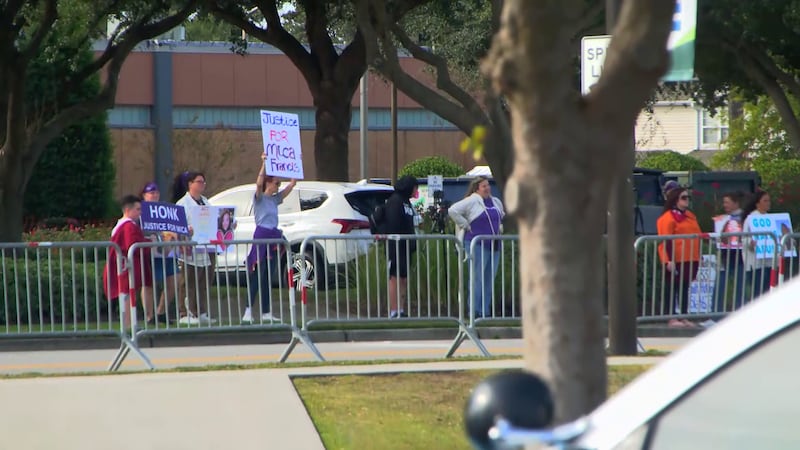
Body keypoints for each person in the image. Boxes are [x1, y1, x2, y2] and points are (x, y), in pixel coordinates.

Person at [242, 154, 296, 323]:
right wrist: (264, 163)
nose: (278, 186)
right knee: (258, 274)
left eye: (279, 183)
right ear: (268, 183)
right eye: (276, 183)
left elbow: (290, 188)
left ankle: (266, 312)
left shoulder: (274, 199)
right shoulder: (259, 198)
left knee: (267, 277)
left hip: (273, 238)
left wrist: (295, 168)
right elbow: (258, 183)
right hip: (262, 236)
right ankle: (248, 310)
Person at [448, 176, 505, 319]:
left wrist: (500, 228)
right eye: (483, 186)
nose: (487, 188)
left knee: (489, 278)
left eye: (488, 185)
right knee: (477, 278)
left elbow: (501, 216)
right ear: (477, 189)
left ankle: (485, 310)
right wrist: (465, 224)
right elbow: (453, 210)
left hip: (494, 244)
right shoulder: (472, 201)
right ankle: (474, 310)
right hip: (477, 244)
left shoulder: (495, 201)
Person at [102, 195, 153, 328]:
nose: (140, 212)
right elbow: (132, 244)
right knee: (126, 293)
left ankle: (130, 322)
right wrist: (150, 242)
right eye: (137, 209)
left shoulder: (123, 224)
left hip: (123, 264)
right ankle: (129, 323)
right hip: (125, 265)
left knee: (127, 293)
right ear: (127, 210)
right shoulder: (128, 226)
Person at [656, 185, 701, 328]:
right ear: (675, 200)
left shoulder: (690, 216)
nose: (687, 200)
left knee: (684, 288)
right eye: (683, 197)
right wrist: (667, 260)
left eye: (688, 197)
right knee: (672, 288)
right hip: (675, 258)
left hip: (690, 257)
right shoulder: (667, 218)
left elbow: (697, 234)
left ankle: (683, 315)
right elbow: (663, 242)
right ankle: (671, 317)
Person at [176, 172, 216, 325]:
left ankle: (200, 311)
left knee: (204, 280)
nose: (202, 185)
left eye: (203, 182)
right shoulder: (183, 203)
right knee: (188, 280)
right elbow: (178, 226)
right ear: (190, 184)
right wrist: (187, 229)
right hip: (190, 246)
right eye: (199, 182)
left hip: (207, 246)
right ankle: (185, 312)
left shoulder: (206, 202)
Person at [140, 181, 180, 324]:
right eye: (151, 193)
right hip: (151, 253)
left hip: (168, 252)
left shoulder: (165, 210)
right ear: (144, 195)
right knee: (149, 284)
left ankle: (160, 311)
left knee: (174, 280)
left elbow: (174, 226)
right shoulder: (141, 211)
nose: (154, 195)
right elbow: (140, 230)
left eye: (156, 192)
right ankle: (149, 316)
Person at [384, 175, 419, 318]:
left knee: (403, 278)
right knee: (395, 277)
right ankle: (394, 310)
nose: (415, 191)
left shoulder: (407, 202)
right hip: (395, 247)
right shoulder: (395, 201)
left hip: (406, 246)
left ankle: (401, 309)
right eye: (415, 188)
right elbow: (392, 223)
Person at [714, 191, 746, 313]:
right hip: (725, 256)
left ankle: (739, 313)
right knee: (720, 286)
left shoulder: (745, 218)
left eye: (727, 202)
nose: (725, 205)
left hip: (739, 257)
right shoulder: (723, 219)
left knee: (740, 287)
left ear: (736, 203)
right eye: (724, 202)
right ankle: (715, 314)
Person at [742, 190, 773, 300]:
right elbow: (744, 238)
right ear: (757, 203)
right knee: (757, 292)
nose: (768, 203)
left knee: (768, 291)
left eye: (769, 200)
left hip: (769, 262)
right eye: (765, 201)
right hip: (755, 263)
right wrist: (750, 242)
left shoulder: (771, 218)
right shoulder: (750, 218)